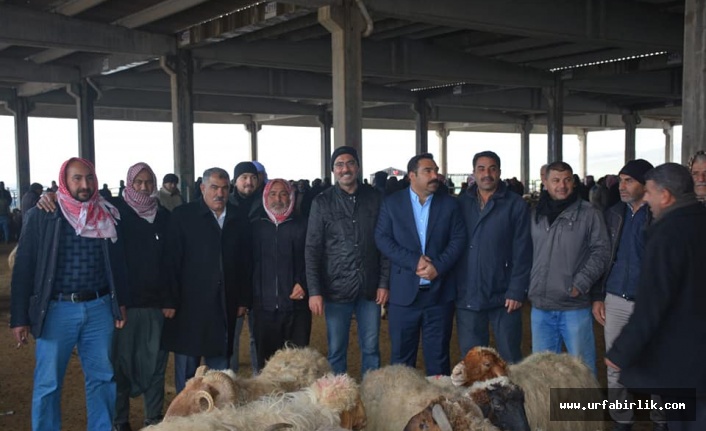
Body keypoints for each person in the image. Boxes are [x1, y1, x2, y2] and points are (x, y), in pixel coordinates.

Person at [10, 157, 127, 431]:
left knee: (102, 378)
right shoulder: (43, 215)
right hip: (56, 310)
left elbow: (118, 264)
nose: (85, 184)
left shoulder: (106, 214)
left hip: (99, 307)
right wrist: (19, 318)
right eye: (77, 178)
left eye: (89, 178)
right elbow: (24, 268)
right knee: (48, 382)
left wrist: (119, 302)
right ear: (64, 181)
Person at [606, 163, 706, 431]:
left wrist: (621, 350)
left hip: (682, 356)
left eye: (649, 192)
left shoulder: (666, 234)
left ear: (665, 196)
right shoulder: (700, 220)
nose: (646, 198)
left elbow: (652, 302)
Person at [162, 167, 252, 393]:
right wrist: (170, 300)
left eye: (224, 188)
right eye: (214, 188)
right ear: (202, 188)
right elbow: (170, 261)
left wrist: (242, 299)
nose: (220, 193)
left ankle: (219, 412)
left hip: (224, 304)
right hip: (188, 306)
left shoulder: (238, 218)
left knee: (220, 373)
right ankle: (185, 412)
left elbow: (245, 262)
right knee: (187, 372)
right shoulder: (183, 216)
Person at [375, 153, 466, 376]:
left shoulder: (450, 204)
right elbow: (382, 239)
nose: (435, 175)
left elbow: (458, 239)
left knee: (438, 359)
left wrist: (438, 267)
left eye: (435, 170)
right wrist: (413, 260)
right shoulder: (392, 204)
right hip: (403, 296)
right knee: (401, 361)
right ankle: (402, 400)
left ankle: (439, 399)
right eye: (428, 171)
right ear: (412, 176)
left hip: (439, 295)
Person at [592, 160, 666, 431]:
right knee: (615, 365)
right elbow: (603, 256)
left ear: (645, 184)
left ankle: (661, 421)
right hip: (615, 299)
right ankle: (622, 421)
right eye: (621, 180)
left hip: (650, 302)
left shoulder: (659, 214)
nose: (621, 186)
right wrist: (598, 295)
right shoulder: (613, 214)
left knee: (657, 364)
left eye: (628, 181)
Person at [306, 145, 389, 375]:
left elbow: (385, 244)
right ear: (333, 170)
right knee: (336, 349)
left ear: (358, 167)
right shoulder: (322, 202)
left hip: (370, 288)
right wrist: (314, 290)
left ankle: (372, 391)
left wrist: (384, 283)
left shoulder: (375, 198)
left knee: (371, 348)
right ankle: (339, 394)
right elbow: (312, 248)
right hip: (336, 288)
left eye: (350, 163)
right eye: (339, 165)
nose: (345, 169)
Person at [529, 161, 609, 376]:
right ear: (545, 182)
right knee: (542, 371)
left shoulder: (589, 213)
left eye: (567, 180)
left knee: (582, 369)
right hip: (541, 306)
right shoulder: (536, 214)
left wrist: (581, 283)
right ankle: (549, 401)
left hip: (574, 306)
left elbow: (602, 252)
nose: (562, 186)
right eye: (556, 180)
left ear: (573, 182)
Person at [454, 151, 531, 363]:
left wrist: (516, 290)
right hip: (468, 293)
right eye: (481, 169)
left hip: (504, 295)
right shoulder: (461, 203)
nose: (486, 174)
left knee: (510, 357)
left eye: (492, 169)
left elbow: (523, 250)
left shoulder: (515, 204)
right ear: (473, 173)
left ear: (499, 172)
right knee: (472, 360)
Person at [251, 179, 310, 370]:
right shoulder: (255, 226)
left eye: (283, 194)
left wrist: (304, 283)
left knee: (298, 365)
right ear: (265, 197)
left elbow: (313, 258)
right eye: (273, 194)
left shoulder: (303, 225)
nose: (278, 199)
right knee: (267, 365)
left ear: (291, 197)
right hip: (264, 309)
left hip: (296, 308)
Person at [228, 161, 263, 374]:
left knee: (258, 335)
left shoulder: (266, 203)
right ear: (235, 181)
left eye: (252, 177)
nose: (249, 181)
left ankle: (259, 379)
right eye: (244, 177)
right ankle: (230, 380)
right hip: (233, 278)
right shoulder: (225, 205)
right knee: (231, 334)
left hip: (260, 277)